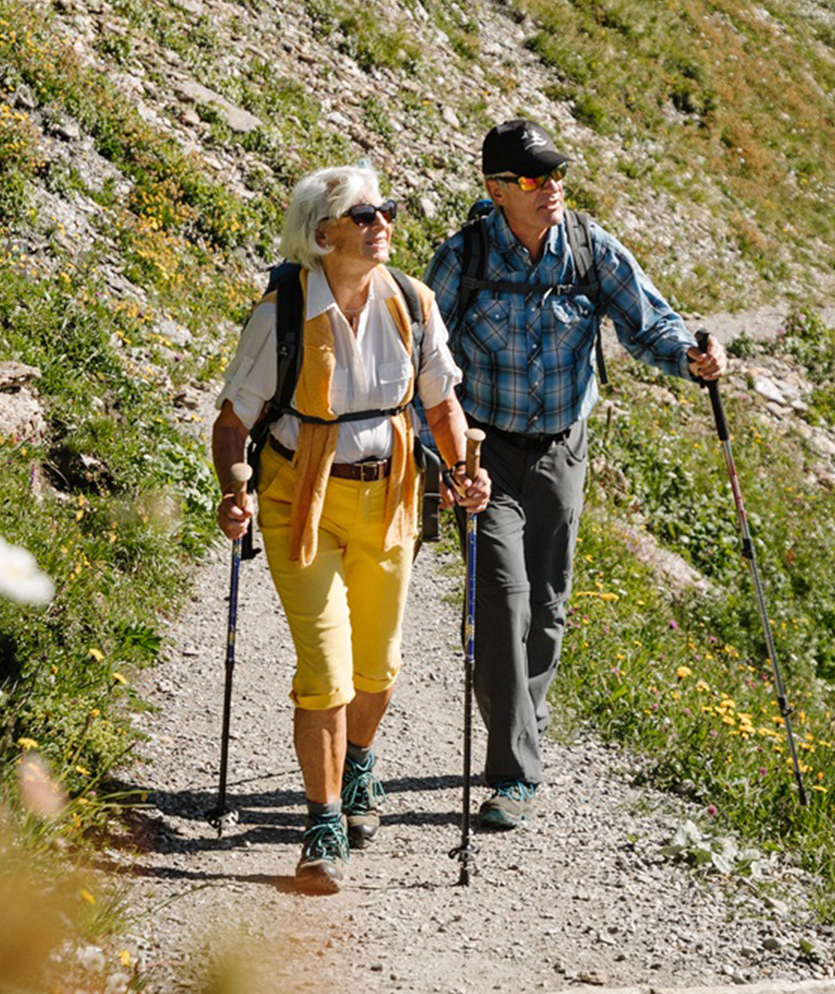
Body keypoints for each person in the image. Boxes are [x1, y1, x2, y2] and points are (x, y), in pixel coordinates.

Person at [425, 118, 721, 829]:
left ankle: (522, 720)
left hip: (562, 447)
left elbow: (649, 322)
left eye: (557, 173)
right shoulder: (463, 257)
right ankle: (513, 773)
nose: (551, 187)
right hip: (484, 453)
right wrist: (436, 453)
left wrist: (690, 356)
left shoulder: (589, 248)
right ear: (498, 189)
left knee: (548, 602)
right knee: (503, 598)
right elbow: (420, 354)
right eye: (534, 178)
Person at [213, 163, 491, 892]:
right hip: (298, 503)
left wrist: (465, 471)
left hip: (391, 499)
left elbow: (441, 405)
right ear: (322, 234)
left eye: (385, 211)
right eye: (364, 216)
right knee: (326, 672)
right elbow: (232, 422)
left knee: (379, 667)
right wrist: (233, 492)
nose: (382, 224)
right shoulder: (283, 314)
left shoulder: (412, 302)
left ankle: (359, 760)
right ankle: (324, 821)